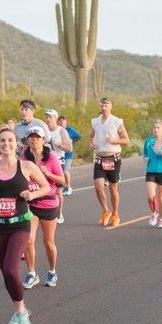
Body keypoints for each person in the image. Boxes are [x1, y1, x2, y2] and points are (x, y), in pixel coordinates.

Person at [0, 128, 50, 324]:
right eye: (2, 140)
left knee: (11, 269)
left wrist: (32, 194)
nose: (6, 144)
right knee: (6, 274)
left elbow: (46, 188)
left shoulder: (26, 166)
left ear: (17, 144)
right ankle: (18, 312)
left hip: (20, 225)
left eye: (10, 140)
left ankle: (22, 312)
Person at [22, 126, 65, 289]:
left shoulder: (51, 158)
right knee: (28, 240)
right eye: (31, 137)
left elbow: (62, 181)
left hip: (48, 203)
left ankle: (52, 271)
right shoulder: (24, 158)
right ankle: (32, 273)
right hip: (31, 204)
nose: (34, 139)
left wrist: (47, 174)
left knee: (48, 242)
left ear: (43, 139)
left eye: (37, 137)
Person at [89, 97, 130, 227]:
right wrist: (91, 144)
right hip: (100, 158)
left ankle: (115, 213)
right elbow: (91, 136)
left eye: (107, 104)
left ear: (111, 106)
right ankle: (106, 211)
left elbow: (126, 139)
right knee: (98, 186)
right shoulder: (95, 121)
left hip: (113, 158)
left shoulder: (117, 121)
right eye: (102, 104)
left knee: (113, 188)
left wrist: (114, 141)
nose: (104, 106)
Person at [43, 109, 71, 224]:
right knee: (45, 189)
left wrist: (59, 145)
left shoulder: (61, 131)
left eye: (50, 117)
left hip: (58, 162)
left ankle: (59, 213)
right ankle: (45, 212)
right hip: (45, 163)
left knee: (58, 191)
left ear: (55, 118)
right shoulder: (43, 131)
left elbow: (69, 148)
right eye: (46, 117)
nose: (48, 119)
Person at [143, 120, 162, 229]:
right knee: (151, 197)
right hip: (151, 170)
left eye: (158, 128)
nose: (156, 129)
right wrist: (145, 158)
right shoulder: (148, 141)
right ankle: (154, 213)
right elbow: (145, 153)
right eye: (154, 127)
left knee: (161, 198)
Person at [57, 115, 81, 196]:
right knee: (60, 171)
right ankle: (62, 187)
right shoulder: (58, 130)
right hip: (59, 153)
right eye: (59, 121)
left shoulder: (69, 130)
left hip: (68, 154)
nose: (61, 122)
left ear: (66, 122)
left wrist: (71, 141)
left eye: (63, 121)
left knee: (65, 170)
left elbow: (78, 136)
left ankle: (69, 187)